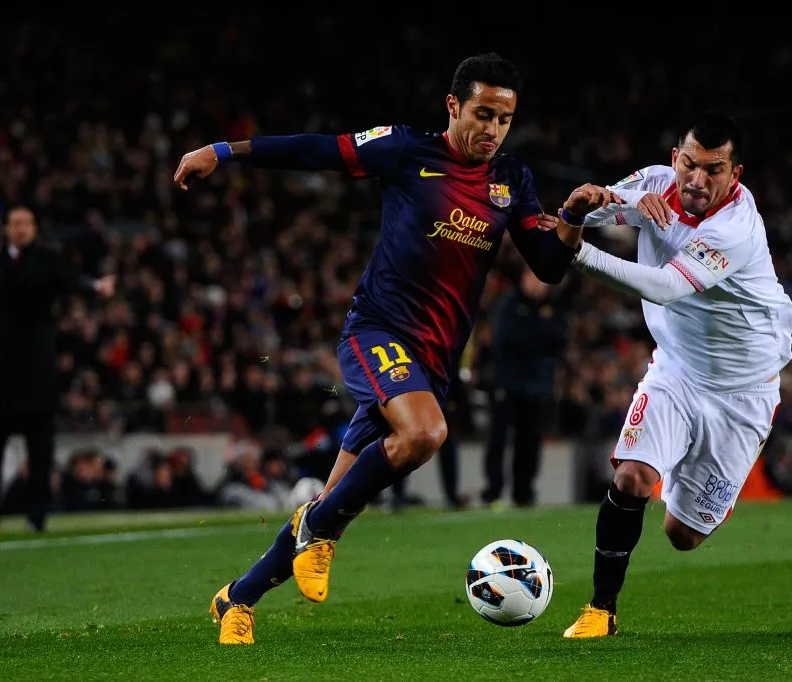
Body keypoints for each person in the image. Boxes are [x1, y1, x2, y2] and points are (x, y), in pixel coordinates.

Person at [172, 52, 578, 644]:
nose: (492, 130)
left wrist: (572, 217)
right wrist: (226, 151)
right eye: (482, 114)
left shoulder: (511, 180)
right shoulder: (407, 149)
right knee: (424, 434)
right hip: (378, 334)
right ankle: (323, 528)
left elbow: (547, 266)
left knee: (341, 493)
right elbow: (317, 149)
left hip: (432, 364)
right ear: (453, 106)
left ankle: (237, 598)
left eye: (504, 119)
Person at [549, 112, 792, 638]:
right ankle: (601, 611)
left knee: (682, 535)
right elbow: (584, 213)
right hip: (677, 370)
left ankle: (704, 487)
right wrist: (586, 204)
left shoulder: (736, 228)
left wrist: (576, 250)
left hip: (742, 391)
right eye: (689, 165)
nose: (697, 180)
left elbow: (663, 287)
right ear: (673, 159)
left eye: (714, 169)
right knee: (632, 476)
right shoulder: (654, 185)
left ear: (736, 174)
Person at [0, 206, 114, 534]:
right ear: (6, 229)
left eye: (26, 223)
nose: (21, 228)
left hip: (36, 370)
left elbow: (72, 281)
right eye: (15, 223)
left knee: (40, 448)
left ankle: (36, 515)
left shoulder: (48, 260)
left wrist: (95, 287)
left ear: (34, 228)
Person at [481, 265, 570, 508]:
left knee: (530, 442)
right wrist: (540, 337)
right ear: (523, 278)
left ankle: (524, 491)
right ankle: (493, 490)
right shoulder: (509, 304)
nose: (538, 284)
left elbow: (560, 339)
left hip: (538, 386)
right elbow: (506, 339)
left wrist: (533, 336)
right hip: (506, 384)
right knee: (498, 440)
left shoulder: (553, 307)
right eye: (533, 277)